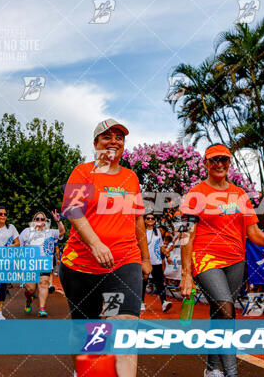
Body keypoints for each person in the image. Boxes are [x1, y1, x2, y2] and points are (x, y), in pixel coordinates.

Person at [180, 143, 264, 377]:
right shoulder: (196, 194)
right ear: (205, 164)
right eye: (214, 160)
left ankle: (212, 368)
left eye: (224, 160)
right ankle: (231, 373)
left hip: (236, 260)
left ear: (229, 163)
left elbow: (253, 232)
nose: (219, 164)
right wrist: (186, 274)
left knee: (219, 312)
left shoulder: (240, 194)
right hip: (206, 260)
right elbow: (187, 235)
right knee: (227, 311)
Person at [59, 118, 150, 377]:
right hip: (81, 267)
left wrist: (144, 258)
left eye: (119, 137)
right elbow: (73, 211)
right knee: (88, 330)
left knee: (122, 327)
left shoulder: (130, 178)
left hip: (123, 264)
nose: (114, 141)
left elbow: (138, 220)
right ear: (96, 143)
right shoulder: (83, 172)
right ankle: (85, 368)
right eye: (107, 136)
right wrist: (96, 244)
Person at [19, 210, 65, 317]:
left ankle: (42, 309)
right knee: (30, 289)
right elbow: (19, 248)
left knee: (43, 284)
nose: (39, 221)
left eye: (42, 219)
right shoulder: (26, 232)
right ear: (33, 221)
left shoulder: (50, 232)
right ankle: (29, 300)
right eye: (37, 219)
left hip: (44, 264)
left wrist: (58, 221)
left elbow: (62, 232)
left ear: (45, 221)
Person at [141, 212, 172, 313]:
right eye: (148, 218)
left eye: (152, 219)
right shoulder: (141, 231)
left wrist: (167, 255)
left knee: (159, 282)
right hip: (145, 261)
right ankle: (141, 302)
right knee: (143, 282)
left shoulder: (157, 231)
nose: (150, 220)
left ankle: (164, 303)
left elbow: (161, 245)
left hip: (156, 261)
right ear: (144, 220)